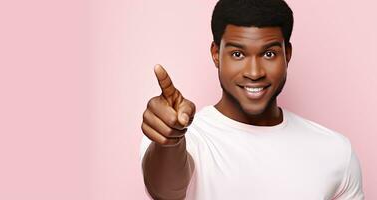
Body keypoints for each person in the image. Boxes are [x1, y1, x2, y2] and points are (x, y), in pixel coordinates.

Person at [139, 0, 365, 199]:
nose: (254, 72)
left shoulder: (335, 151)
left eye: (269, 54)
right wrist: (170, 142)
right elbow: (167, 191)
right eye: (238, 54)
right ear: (216, 54)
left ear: (287, 54)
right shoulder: (181, 137)